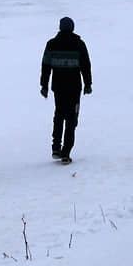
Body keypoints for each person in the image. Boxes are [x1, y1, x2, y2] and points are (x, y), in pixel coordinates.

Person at [40, 17, 92, 165]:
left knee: (59, 114)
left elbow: (45, 66)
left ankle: (56, 147)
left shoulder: (51, 44)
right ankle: (65, 153)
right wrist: (88, 84)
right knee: (71, 119)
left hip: (58, 87)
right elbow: (86, 66)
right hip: (74, 87)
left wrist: (44, 85)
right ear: (72, 28)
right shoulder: (79, 44)